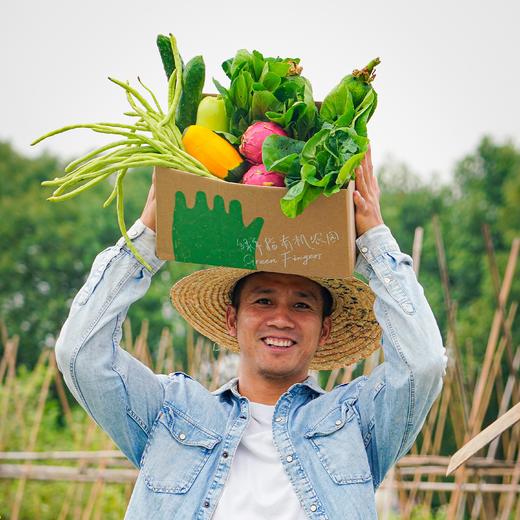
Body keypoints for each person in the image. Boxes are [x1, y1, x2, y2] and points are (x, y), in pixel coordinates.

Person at [55, 147, 447, 519]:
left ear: (324, 329)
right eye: (262, 301)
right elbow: (81, 354)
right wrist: (148, 238)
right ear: (232, 319)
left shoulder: (356, 422)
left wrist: (374, 242)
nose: (281, 318)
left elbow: (423, 364)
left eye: (302, 305)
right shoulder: (171, 414)